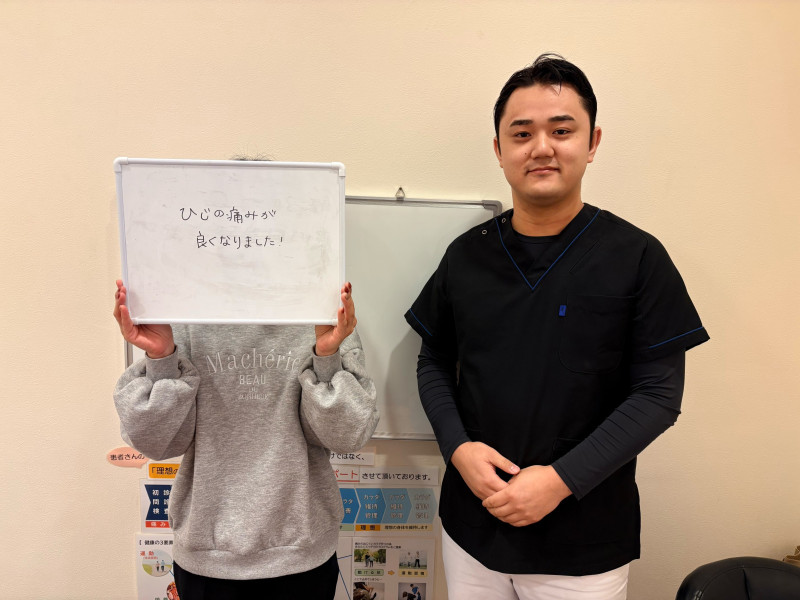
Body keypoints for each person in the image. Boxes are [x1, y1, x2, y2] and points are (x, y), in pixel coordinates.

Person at [404, 54, 709, 599]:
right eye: (521, 134)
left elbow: (658, 395)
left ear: (592, 143)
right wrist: (458, 449)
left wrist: (560, 481)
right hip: (471, 527)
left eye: (561, 131)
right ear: (499, 150)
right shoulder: (466, 256)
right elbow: (433, 361)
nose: (541, 147)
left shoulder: (637, 257)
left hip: (583, 542)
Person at [113, 278, 378, 599]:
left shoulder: (322, 307)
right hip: (208, 560)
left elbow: (348, 434)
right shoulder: (183, 309)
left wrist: (326, 356)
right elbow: (156, 441)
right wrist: (160, 358)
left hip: (302, 557)